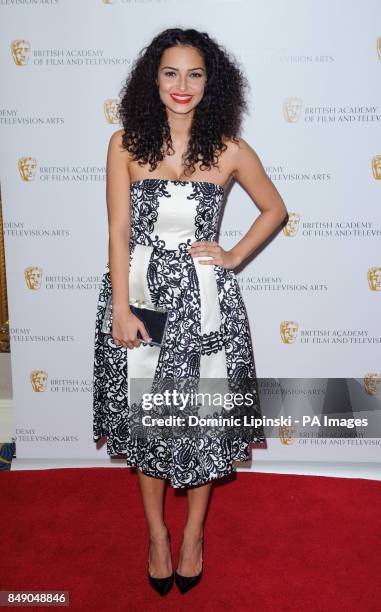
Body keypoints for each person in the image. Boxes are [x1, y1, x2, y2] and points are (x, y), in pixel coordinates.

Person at [93, 27, 287, 596]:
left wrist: (231, 255)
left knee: (201, 422)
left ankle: (193, 535)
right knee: (150, 423)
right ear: (152, 80)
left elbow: (274, 209)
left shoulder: (229, 149)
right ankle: (156, 534)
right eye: (171, 72)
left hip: (206, 303)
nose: (183, 85)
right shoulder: (124, 144)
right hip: (142, 300)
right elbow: (119, 229)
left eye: (195, 73)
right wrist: (122, 310)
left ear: (211, 81)